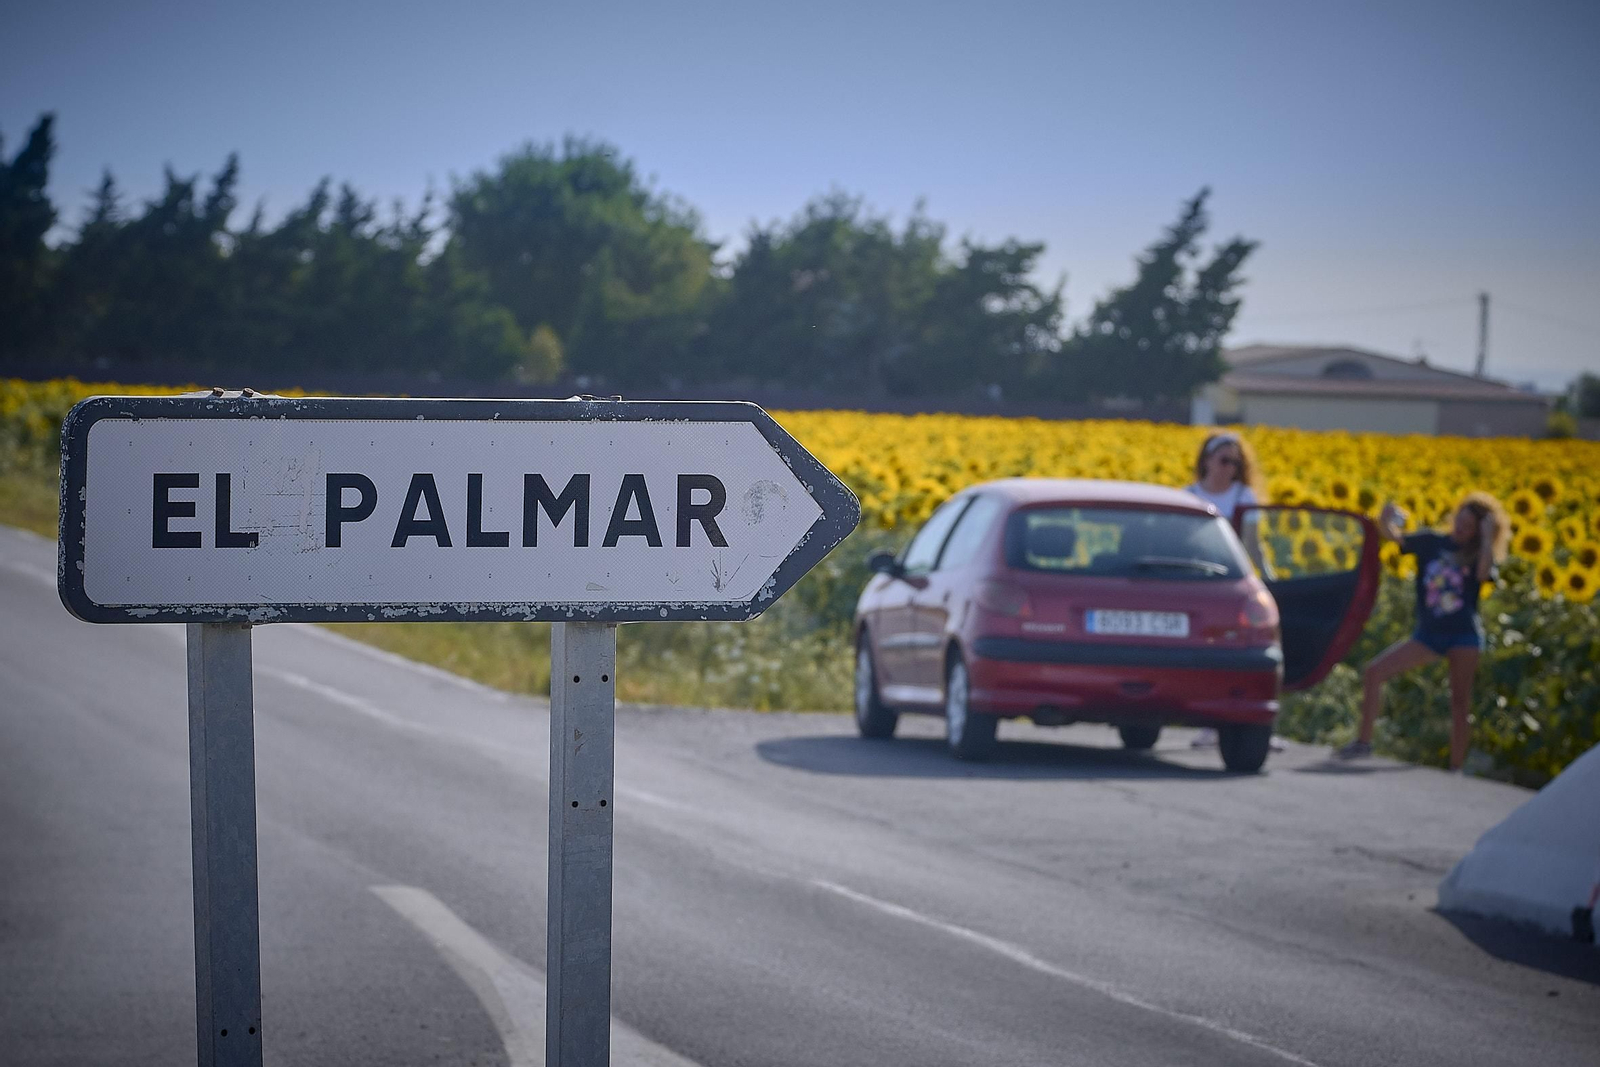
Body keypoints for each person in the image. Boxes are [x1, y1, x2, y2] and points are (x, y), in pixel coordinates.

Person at [1337, 493, 1509, 770]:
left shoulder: (1479, 554)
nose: (1460, 528)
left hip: (1464, 637)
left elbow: (1482, 575)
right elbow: (1394, 537)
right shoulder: (1432, 542)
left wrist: (1488, 538)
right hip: (1428, 635)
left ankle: (1455, 768)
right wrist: (1384, 518)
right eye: (1459, 520)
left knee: (1460, 701)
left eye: (1469, 525)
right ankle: (1363, 743)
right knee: (1375, 671)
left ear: (1479, 531)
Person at [1185, 432, 1267, 748]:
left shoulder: (1243, 496)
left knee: (1235, 653)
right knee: (1202, 655)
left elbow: (1252, 546)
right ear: (1206, 460)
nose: (1229, 467)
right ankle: (1207, 723)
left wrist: (1267, 581)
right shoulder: (1189, 495)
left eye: (1235, 462)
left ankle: (1244, 724)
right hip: (1194, 584)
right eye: (1223, 460)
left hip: (1229, 586)